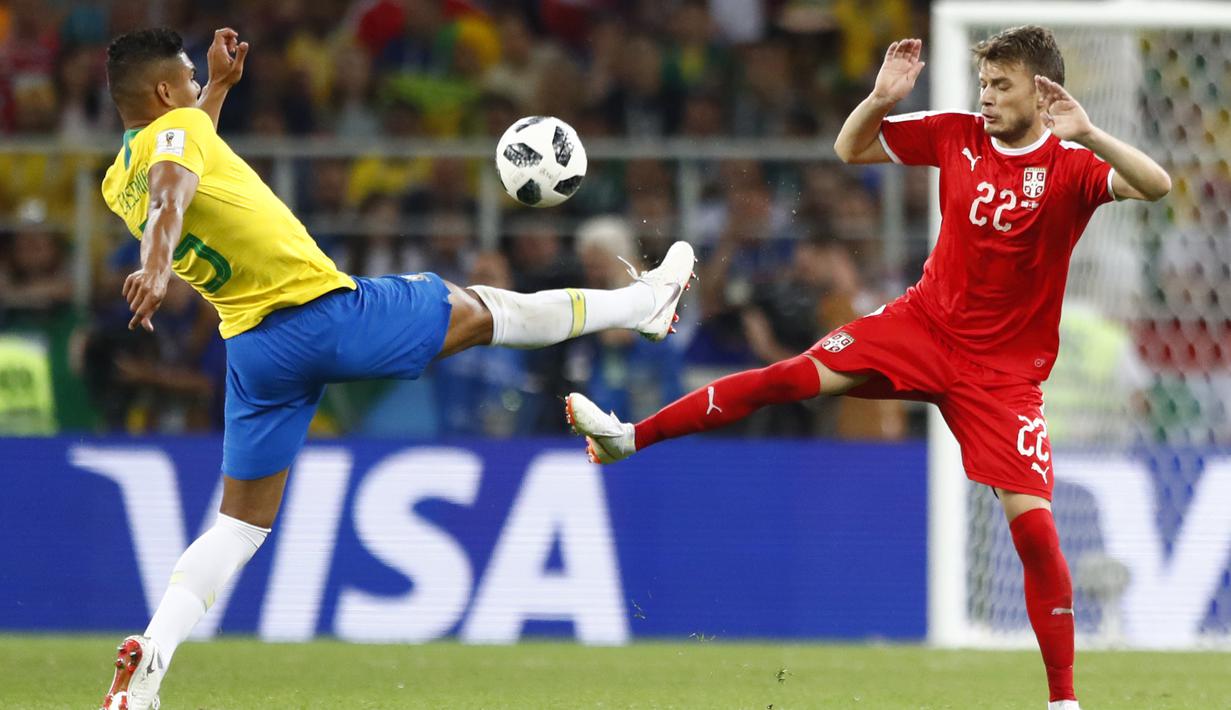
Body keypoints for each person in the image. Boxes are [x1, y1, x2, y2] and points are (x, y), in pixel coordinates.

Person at [566, 27, 1170, 710]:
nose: (987, 97)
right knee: (785, 378)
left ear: (1042, 90)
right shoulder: (954, 133)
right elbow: (848, 148)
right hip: (921, 327)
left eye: (1002, 85)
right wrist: (879, 99)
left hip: (1000, 376)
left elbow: (1155, 184)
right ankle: (628, 438)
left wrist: (1089, 134)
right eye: (983, 83)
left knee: (1033, 529)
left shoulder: (1069, 165)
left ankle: (1062, 702)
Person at [97, 27, 695, 710]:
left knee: (238, 526)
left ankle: (150, 662)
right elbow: (175, 190)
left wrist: (223, 89)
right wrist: (154, 264)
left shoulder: (119, 178)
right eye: (190, 81)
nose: (197, 89)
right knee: (478, 310)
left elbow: (181, 164)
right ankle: (643, 303)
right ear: (164, 92)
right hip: (316, 314)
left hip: (254, 350)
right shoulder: (175, 138)